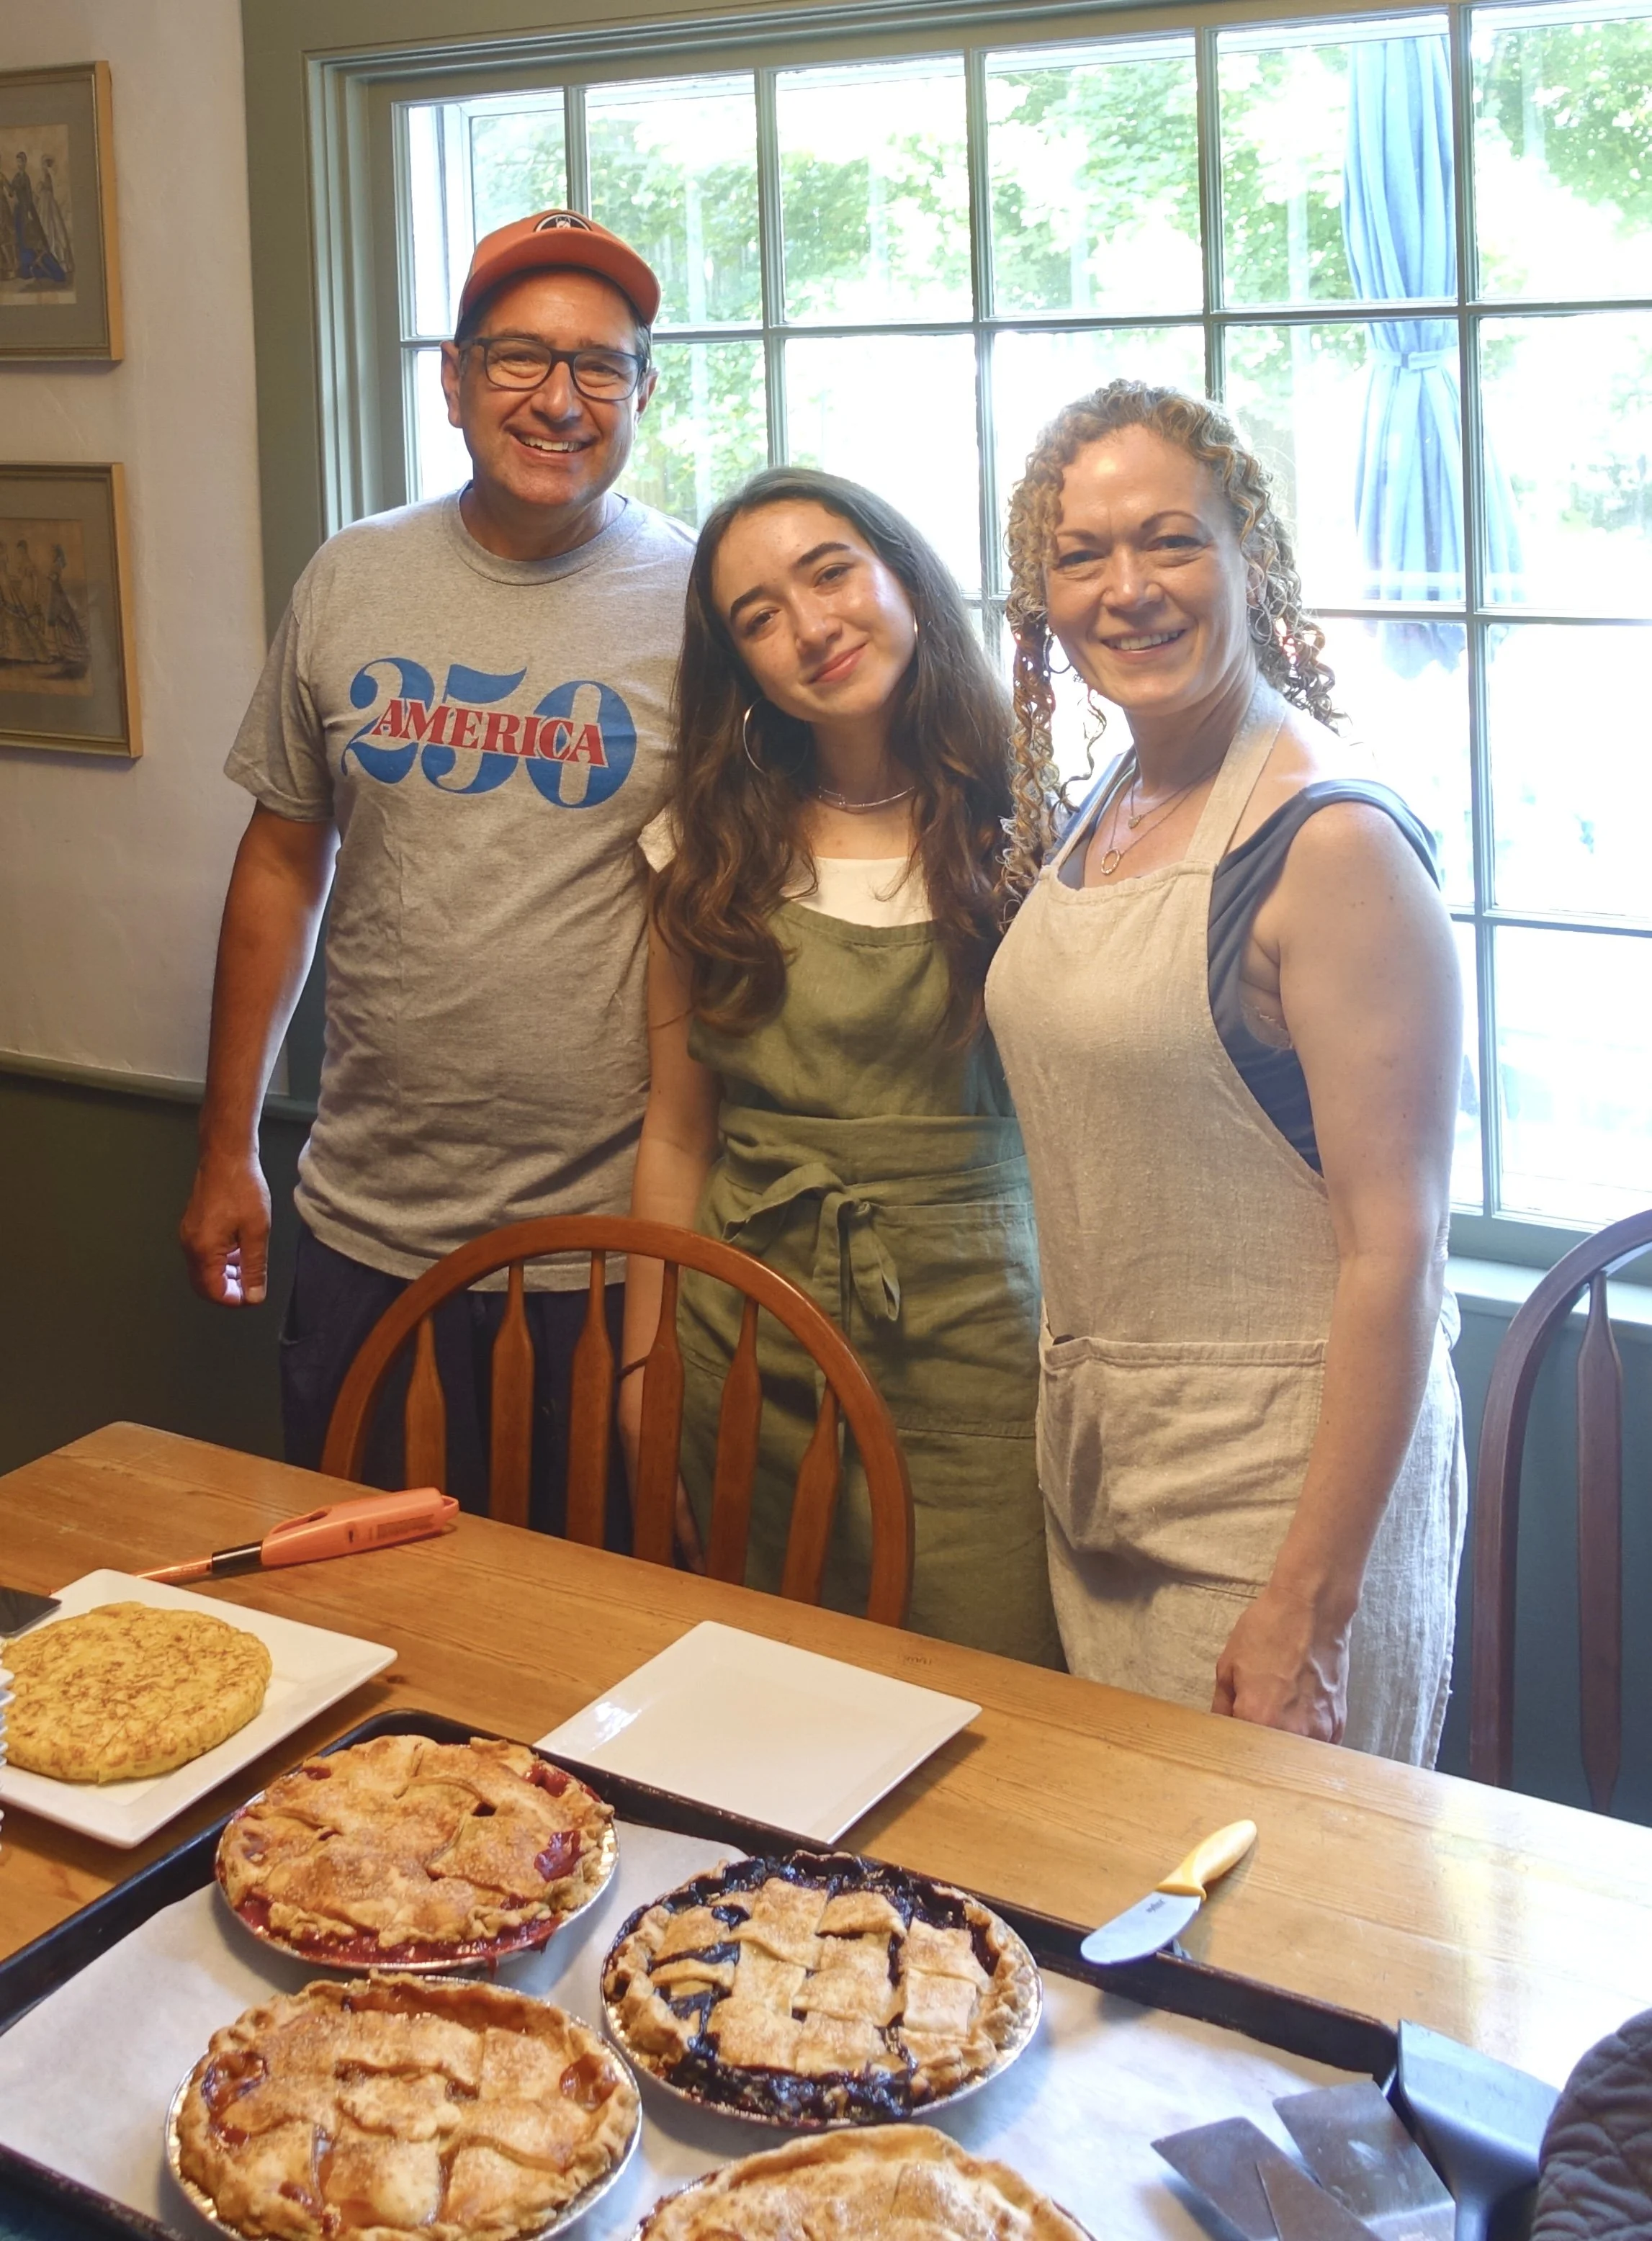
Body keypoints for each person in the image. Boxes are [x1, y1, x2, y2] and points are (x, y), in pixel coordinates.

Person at [179, 210, 693, 1530]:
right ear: (454, 381)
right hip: (365, 1228)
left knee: (585, 1657)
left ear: (643, 392)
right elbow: (282, 860)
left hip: (600, 1248)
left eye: (601, 366)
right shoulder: (353, 579)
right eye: (520, 358)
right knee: (369, 1628)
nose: (559, 399)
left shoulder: (699, 607)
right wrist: (228, 1146)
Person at [986, 380, 1465, 1762]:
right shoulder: (1115, 803)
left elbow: (1399, 1248)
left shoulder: (1332, 846)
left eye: (1171, 541)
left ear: (1251, 562)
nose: (1126, 590)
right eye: (1081, 556)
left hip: (1272, 1519)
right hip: (1112, 1491)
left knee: (1262, 1953)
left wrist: (1307, 1606)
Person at [622, 467, 1061, 1665]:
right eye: (758, 617)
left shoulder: (1046, 823)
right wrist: (644, 1364)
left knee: (995, 1695)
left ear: (902, 576)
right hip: (746, 1337)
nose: (811, 628)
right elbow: (677, 1133)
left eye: (829, 573)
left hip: (983, 1350)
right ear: (739, 668)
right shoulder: (704, 847)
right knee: (768, 1700)